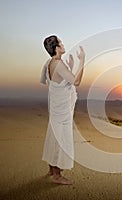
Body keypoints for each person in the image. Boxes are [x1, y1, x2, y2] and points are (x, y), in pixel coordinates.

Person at [40, 35, 85, 185]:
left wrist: (70, 67)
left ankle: (52, 169)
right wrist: (82, 61)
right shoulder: (59, 64)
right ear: (57, 48)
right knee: (61, 139)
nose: (63, 44)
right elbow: (76, 81)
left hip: (56, 108)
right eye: (61, 43)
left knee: (54, 136)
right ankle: (57, 176)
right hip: (62, 111)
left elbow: (60, 81)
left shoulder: (49, 63)